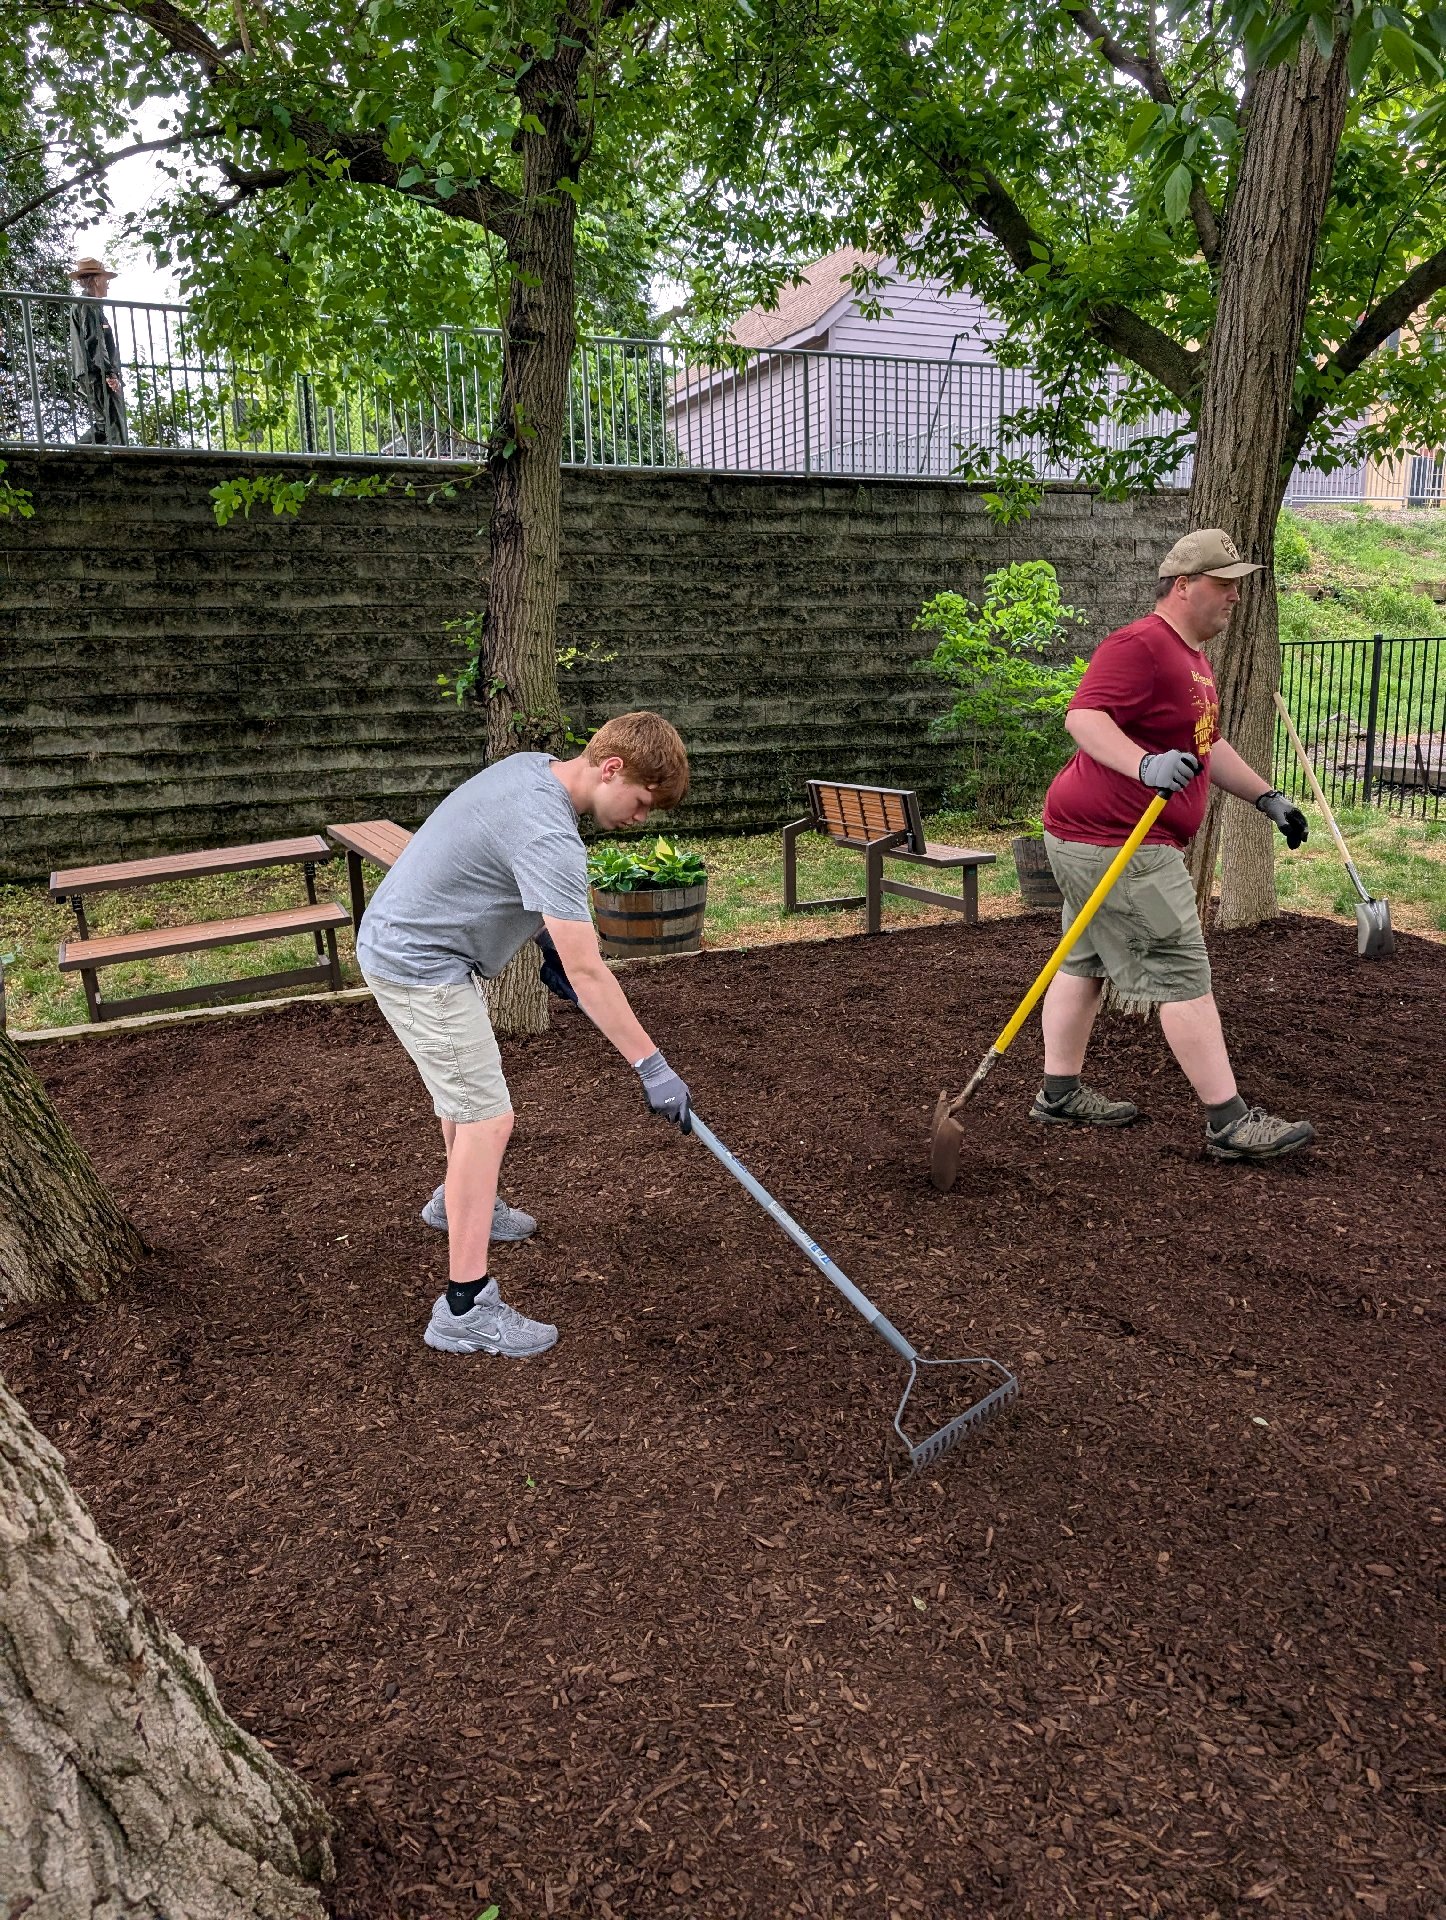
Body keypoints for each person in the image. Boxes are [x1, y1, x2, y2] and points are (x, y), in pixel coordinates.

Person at [356, 711, 694, 1359]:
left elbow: (508, 873)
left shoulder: (531, 771)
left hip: (417, 945)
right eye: (642, 802)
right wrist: (651, 1065)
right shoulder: (550, 834)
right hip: (420, 963)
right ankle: (464, 1308)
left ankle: (458, 1205)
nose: (640, 817)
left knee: (468, 1100)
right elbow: (590, 968)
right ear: (613, 768)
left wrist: (548, 950)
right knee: (488, 1119)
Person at [1032, 528, 1315, 1163]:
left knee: (1084, 960)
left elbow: (1206, 747)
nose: (1235, 596)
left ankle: (1059, 1091)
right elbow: (1083, 716)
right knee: (1182, 969)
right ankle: (1229, 1122)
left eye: (1239, 585)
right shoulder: (1141, 644)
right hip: (1120, 842)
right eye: (1225, 585)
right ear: (1184, 586)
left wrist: (1267, 797)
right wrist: (1144, 766)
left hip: (1091, 837)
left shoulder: (1192, 656)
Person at [68, 257, 128, 446]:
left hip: (91, 371)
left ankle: (74, 455)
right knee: (114, 421)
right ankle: (122, 460)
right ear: (95, 280)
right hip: (95, 372)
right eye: (105, 280)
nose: (108, 286)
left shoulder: (89, 305)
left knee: (104, 424)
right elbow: (94, 340)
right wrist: (108, 371)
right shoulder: (88, 304)